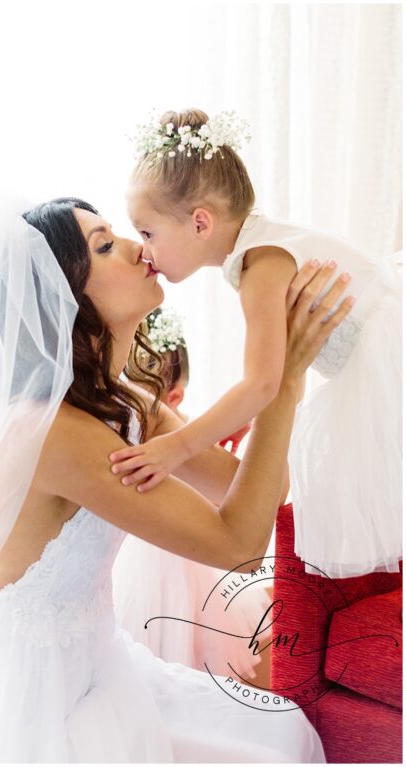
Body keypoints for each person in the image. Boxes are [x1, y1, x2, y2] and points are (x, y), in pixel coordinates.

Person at [0, 197, 347, 762]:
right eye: (105, 245)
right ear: (67, 299)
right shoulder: (56, 434)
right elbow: (238, 541)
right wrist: (282, 385)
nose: (140, 248)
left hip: (98, 668)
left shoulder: (127, 406)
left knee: (276, 731)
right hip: (31, 702)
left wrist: (267, 375)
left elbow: (259, 491)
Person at [113, 108, 402, 578]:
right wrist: (236, 420)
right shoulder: (263, 247)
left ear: (201, 223)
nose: (143, 249)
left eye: (148, 232)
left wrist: (177, 447)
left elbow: (262, 383)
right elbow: (269, 375)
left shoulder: (260, 262)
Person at [113, 306, 271, 678]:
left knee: (198, 642)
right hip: (147, 555)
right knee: (153, 641)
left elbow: (225, 501)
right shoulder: (152, 429)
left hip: (193, 558)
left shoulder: (191, 435)